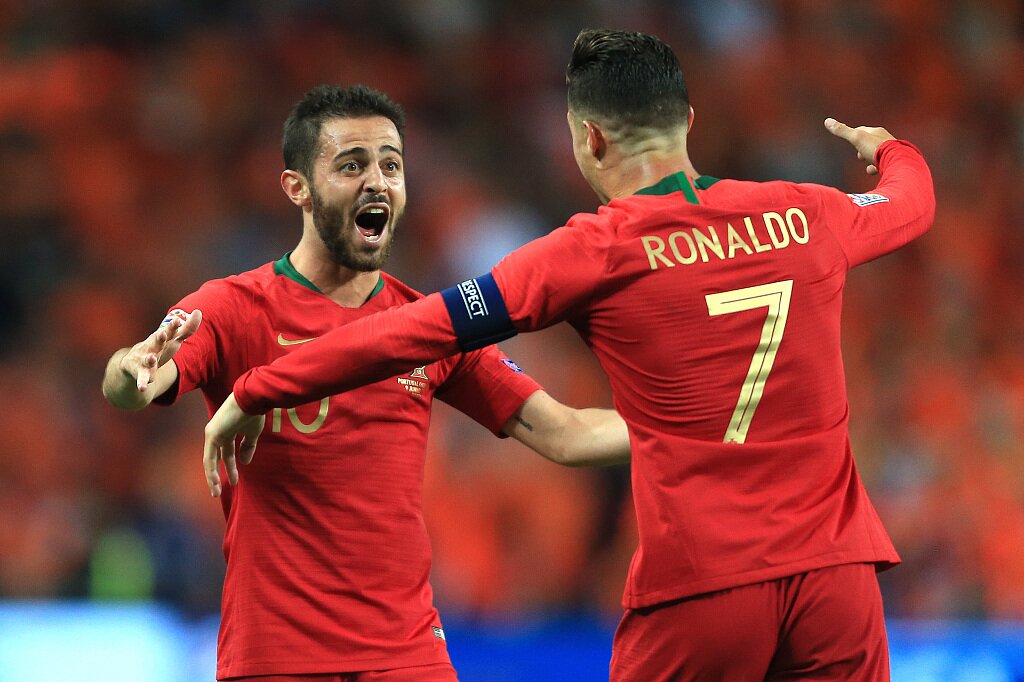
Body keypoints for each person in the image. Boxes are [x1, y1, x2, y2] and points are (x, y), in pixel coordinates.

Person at [205, 29, 936, 681]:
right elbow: (912, 201)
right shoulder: (805, 212)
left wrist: (260, 388)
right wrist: (890, 150)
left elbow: (407, 332)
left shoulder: (591, 252)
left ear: (589, 139)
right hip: (840, 579)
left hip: (708, 582)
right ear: (687, 121)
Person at [102, 84, 630, 682]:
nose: (378, 182)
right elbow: (135, 385)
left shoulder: (429, 326)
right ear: (297, 187)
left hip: (407, 656)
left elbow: (568, 434)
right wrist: (131, 367)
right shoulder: (233, 308)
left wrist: (700, 423)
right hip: (277, 656)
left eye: (391, 166)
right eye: (352, 165)